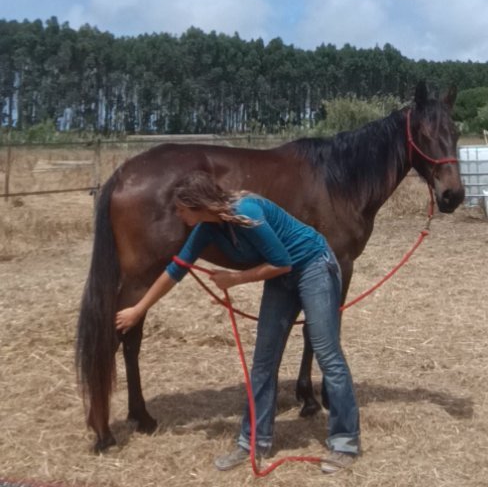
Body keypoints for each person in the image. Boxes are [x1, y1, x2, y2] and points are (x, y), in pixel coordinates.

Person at [116, 171, 360, 475]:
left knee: (327, 354)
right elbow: (175, 270)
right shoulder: (206, 229)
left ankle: (345, 442)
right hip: (280, 276)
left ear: (197, 205)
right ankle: (253, 442)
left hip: (313, 266)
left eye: (180, 208)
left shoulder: (246, 212)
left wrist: (235, 279)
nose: (176, 214)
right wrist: (138, 309)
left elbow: (282, 261)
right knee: (263, 362)